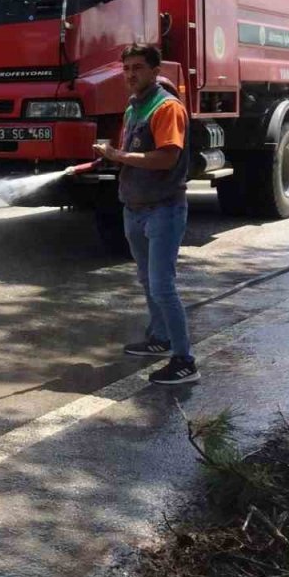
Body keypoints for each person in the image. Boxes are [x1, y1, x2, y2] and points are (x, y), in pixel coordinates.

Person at [93, 43, 198, 385]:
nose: (130, 74)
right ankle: (160, 338)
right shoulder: (133, 108)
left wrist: (119, 156)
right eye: (126, 69)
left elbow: (167, 157)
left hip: (164, 209)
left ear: (155, 71)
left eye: (138, 68)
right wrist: (110, 156)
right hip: (135, 208)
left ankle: (184, 361)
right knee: (147, 280)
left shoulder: (166, 107)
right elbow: (133, 152)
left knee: (162, 285)